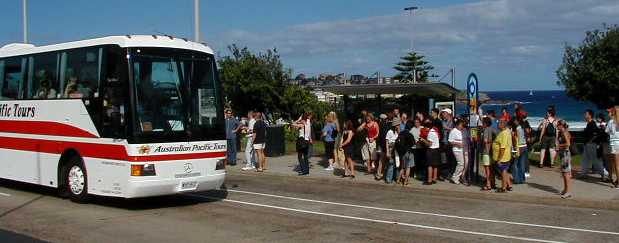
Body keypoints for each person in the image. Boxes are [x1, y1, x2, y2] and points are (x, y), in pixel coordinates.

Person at [579, 109, 605, 179]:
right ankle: (583, 174)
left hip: (591, 145)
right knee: (585, 159)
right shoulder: (589, 124)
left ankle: (605, 174)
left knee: (595, 160)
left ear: (590, 115)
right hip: (587, 144)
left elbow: (595, 135)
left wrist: (590, 141)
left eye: (586, 114)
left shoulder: (592, 124)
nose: (584, 115)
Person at [493, 120, 513, 193]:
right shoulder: (507, 130)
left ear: (502, 125)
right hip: (507, 155)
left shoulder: (504, 133)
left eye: (499, 124)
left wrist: (499, 159)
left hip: (503, 156)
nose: (497, 125)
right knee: (505, 170)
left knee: (503, 172)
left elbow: (502, 147)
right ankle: (509, 185)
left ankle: (503, 187)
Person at [421, 120, 441, 185]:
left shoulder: (430, 133)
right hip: (437, 149)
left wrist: (423, 140)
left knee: (429, 165)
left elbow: (429, 144)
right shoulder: (435, 131)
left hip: (431, 150)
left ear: (427, 127)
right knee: (435, 165)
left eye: (425, 127)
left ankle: (429, 180)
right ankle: (434, 179)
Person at [557, 120, 573, 199]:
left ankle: (568, 191)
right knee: (564, 173)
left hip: (565, 154)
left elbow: (568, 144)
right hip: (563, 154)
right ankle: (565, 189)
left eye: (558, 125)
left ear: (561, 125)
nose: (557, 127)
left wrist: (559, 145)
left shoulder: (564, 132)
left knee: (566, 173)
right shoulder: (562, 132)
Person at [448, 119, 465, 185]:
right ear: (457, 125)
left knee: (463, 164)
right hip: (457, 150)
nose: (462, 126)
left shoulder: (462, 130)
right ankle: (455, 177)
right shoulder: (453, 131)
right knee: (461, 163)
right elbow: (450, 141)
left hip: (462, 149)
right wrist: (458, 144)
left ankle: (458, 177)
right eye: (461, 125)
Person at [481, 117, 496, 191]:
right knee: (492, 169)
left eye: (483, 123)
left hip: (487, 152)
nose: (482, 124)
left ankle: (488, 184)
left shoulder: (486, 130)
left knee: (487, 169)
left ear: (485, 123)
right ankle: (493, 183)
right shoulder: (493, 129)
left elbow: (485, 141)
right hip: (492, 151)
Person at [606, 107, 619, 188]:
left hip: (614, 144)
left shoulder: (611, 122)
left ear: (613, 113)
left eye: (609, 112)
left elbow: (607, 131)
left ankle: (618, 183)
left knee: (616, 165)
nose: (608, 113)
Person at [512, 118, 527, 184]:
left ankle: (517, 179)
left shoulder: (517, 129)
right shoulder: (522, 128)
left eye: (515, 121)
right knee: (522, 164)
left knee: (515, 164)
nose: (514, 122)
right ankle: (522, 179)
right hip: (524, 146)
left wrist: (514, 148)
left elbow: (516, 139)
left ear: (517, 121)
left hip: (519, 147)